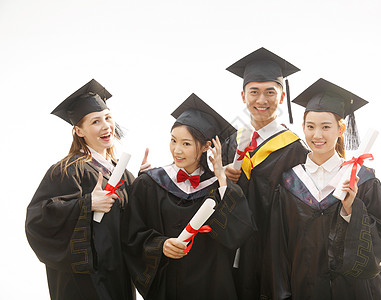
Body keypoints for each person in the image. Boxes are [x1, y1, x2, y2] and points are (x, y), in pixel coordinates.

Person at [260, 78, 381, 300]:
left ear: (341, 129)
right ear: (302, 127)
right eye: (311, 127)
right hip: (302, 290)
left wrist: (352, 209)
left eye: (326, 127)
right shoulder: (289, 184)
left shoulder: (363, 180)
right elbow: (278, 251)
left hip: (351, 292)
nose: (317, 135)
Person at [122, 93, 256, 300]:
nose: (177, 150)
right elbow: (131, 235)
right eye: (174, 141)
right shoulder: (149, 183)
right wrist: (160, 245)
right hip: (168, 288)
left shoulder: (218, 188)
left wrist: (221, 177)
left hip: (211, 287)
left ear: (205, 147)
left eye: (186, 143)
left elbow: (238, 233)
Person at [25, 79, 135, 300]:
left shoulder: (124, 174)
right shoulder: (67, 171)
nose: (106, 126)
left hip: (119, 280)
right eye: (95, 121)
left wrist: (145, 184)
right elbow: (38, 221)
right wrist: (87, 203)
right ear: (79, 131)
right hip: (84, 285)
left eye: (108, 118)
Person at [222, 47, 309, 299]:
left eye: (270, 92)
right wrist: (221, 178)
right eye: (254, 92)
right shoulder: (230, 142)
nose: (262, 100)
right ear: (243, 95)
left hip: (273, 258)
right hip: (230, 256)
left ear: (281, 97)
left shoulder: (294, 149)